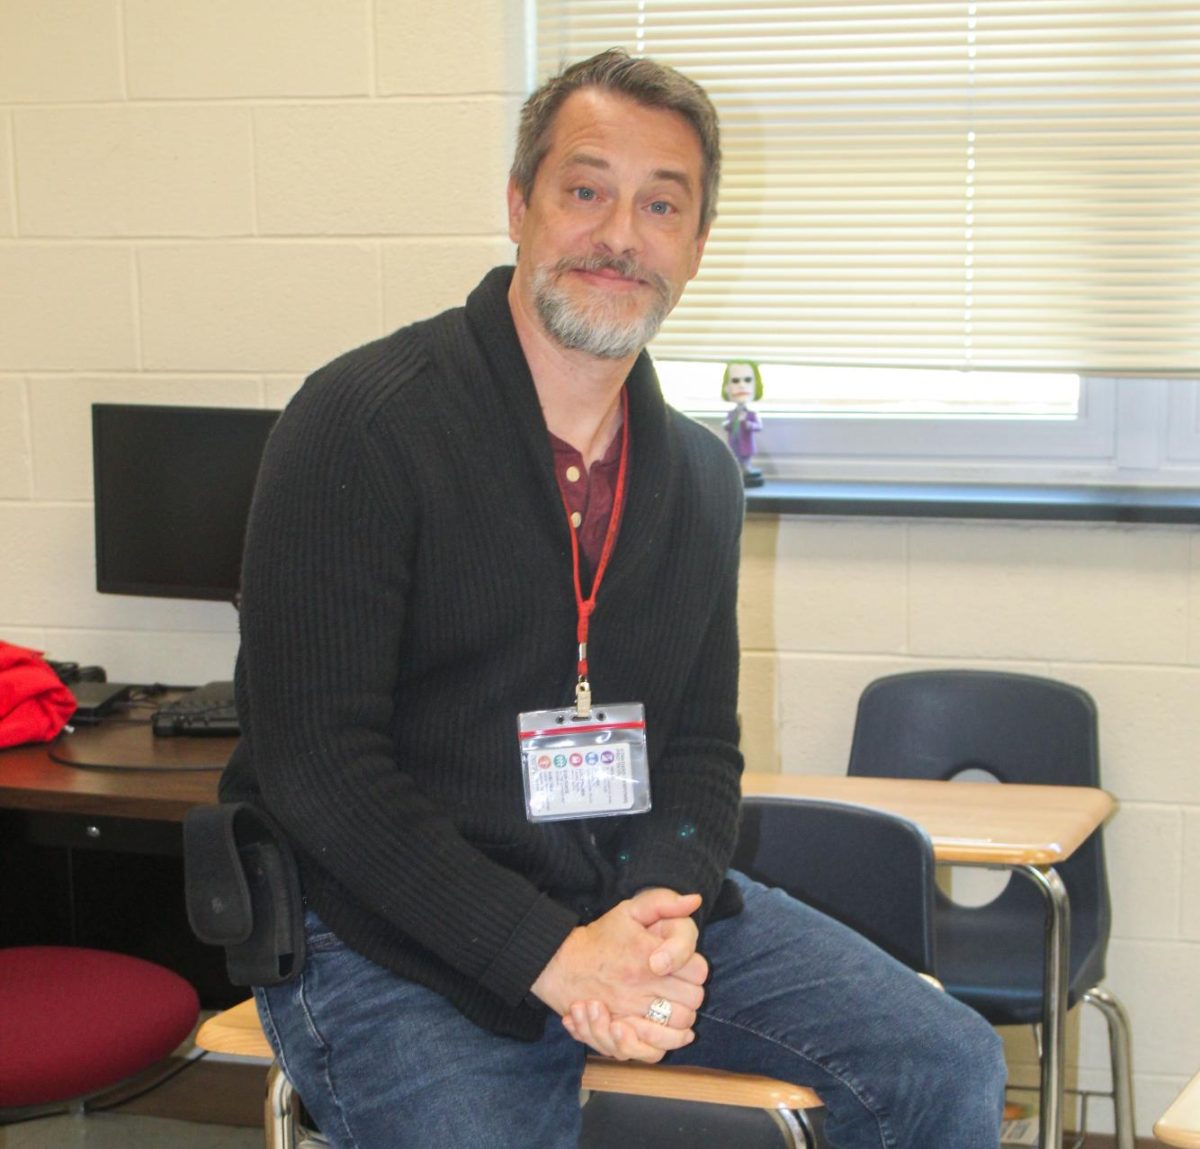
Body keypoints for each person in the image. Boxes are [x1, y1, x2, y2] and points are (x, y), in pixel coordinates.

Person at [219, 48, 1006, 1149]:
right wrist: (553, 956)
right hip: (387, 931)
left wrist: (654, 917)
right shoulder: (361, 426)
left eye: (660, 205)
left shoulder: (694, 477)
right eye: (585, 191)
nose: (619, 235)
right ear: (518, 205)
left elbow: (700, 754)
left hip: (616, 902)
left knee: (946, 1062)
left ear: (695, 244)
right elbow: (321, 775)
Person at [722, 360, 765, 486]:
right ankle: (738, 470)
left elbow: (758, 426)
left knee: (745, 458)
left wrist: (747, 424)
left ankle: (746, 468)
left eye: (747, 380)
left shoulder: (751, 414)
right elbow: (727, 425)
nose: (742, 386)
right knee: (736, 458)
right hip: (734, 442)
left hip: (746, 443)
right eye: (735, 381)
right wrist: (728, 424)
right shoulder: (731, 413)